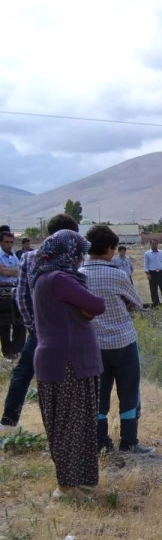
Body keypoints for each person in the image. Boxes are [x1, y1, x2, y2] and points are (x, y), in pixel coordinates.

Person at [33, 230, 106, 498]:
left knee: (65, 425)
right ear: (68, 253)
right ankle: (68, 486)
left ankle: (75, 482)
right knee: (73, 426)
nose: (81, 258)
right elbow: (96, 304)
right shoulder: (60, 279)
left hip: (57, 360)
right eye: (79, 253)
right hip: (70, 362)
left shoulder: (42, 277)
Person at [2, 213, 79, 433]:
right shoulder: (74, 259)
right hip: (66, 328)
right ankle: (68, 425)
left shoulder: (30, 258)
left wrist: (32, 324)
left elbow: (22, 296)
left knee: (24, 371)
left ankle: (9, 421)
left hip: (41, 327)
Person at [80, 225, 148, 454]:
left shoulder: (77, 275)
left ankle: (101, 442)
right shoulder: (117, 274)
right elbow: (137, 303)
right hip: (123, 342)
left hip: (93, 345)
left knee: (99, 394)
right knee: (128, 392)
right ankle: (129, 442)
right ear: (109, 248)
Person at [0, 230, 24, 359]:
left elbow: (19, 271)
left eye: (11, 242)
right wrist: (11, 271)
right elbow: (3, 272)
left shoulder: (13, 256)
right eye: (6, 242)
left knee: (19, 320)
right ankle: (8, 351)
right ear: (1, 242)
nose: (9, 245)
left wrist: (10, 271)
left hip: (16, 290)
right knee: (5, 322)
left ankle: (17, 349)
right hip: (3, 292)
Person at [142, 239, 162, 308]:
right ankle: (156, 305)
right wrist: (148, 274)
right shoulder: (147, 253)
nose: (154, 245)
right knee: (153, 290)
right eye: (153, 244)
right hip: (152, 274)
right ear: (150, 244)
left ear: (157, 244)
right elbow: (146, 264)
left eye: (155, 244)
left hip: (161, 274)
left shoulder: (161, 252)